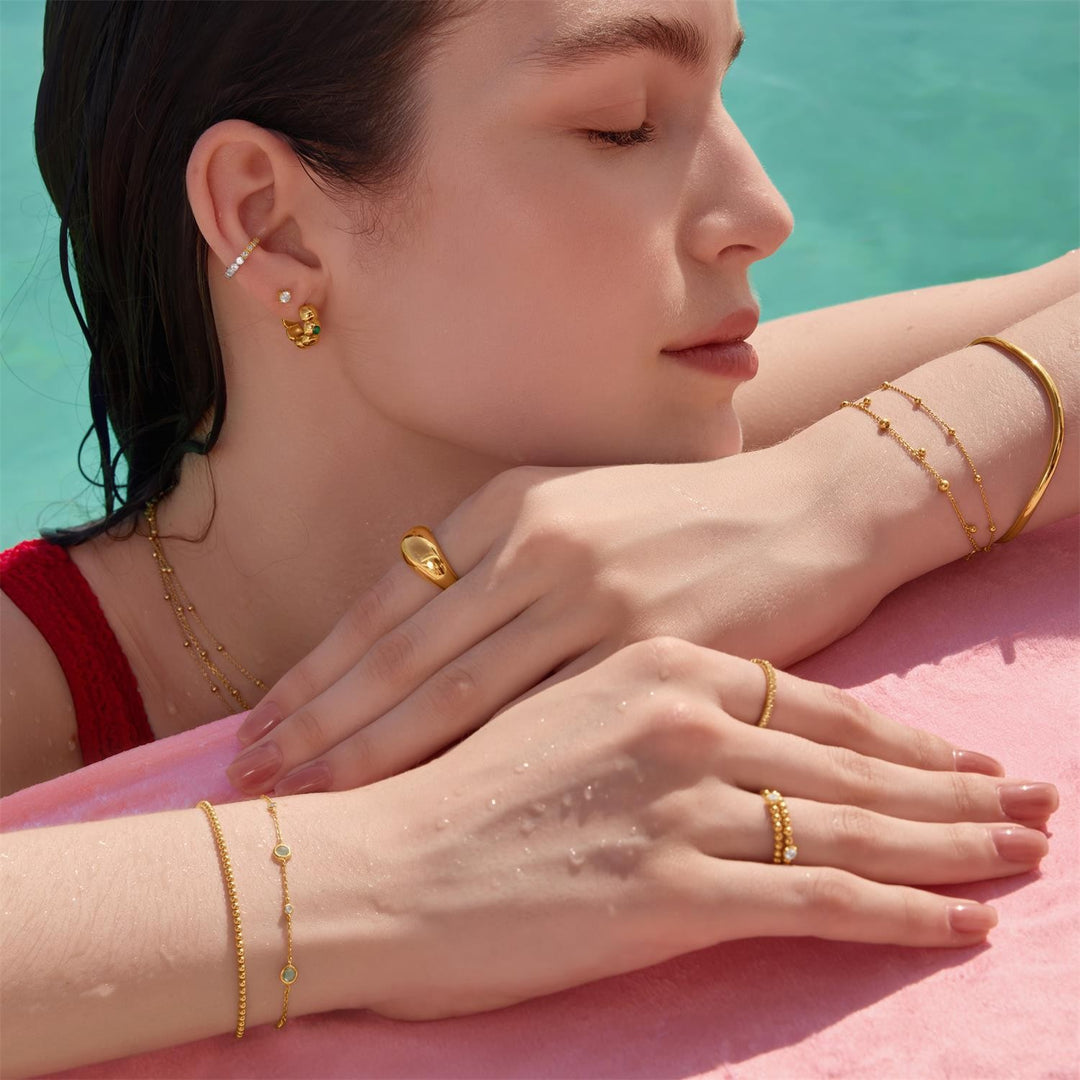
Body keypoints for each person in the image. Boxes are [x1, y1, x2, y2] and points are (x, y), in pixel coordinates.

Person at [0, 0, 1074, 1075]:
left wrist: (850, 490)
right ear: (272, 222)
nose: (761, 210)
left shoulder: (702, 460)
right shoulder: (37, 674)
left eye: (720, 98)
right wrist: (396, 874)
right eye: (619, 126)